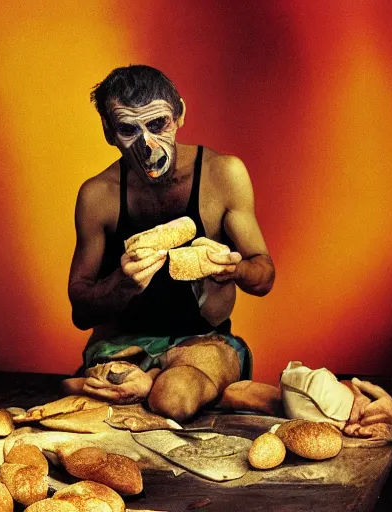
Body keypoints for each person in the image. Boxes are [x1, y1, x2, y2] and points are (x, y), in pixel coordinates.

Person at [66, 65, 275, 420]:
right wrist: (122, 282)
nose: (147, 145)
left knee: (173, 399)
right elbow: (81, 313)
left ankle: (167, 383)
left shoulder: (223, 174)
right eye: (129, 130)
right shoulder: (98, 195)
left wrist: (233, 269)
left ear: (179, 114)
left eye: (158, 124)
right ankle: (211, 391)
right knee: (113, 402)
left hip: (204, 341)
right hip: (122, 344)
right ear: (108, 132)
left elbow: (265, 277)